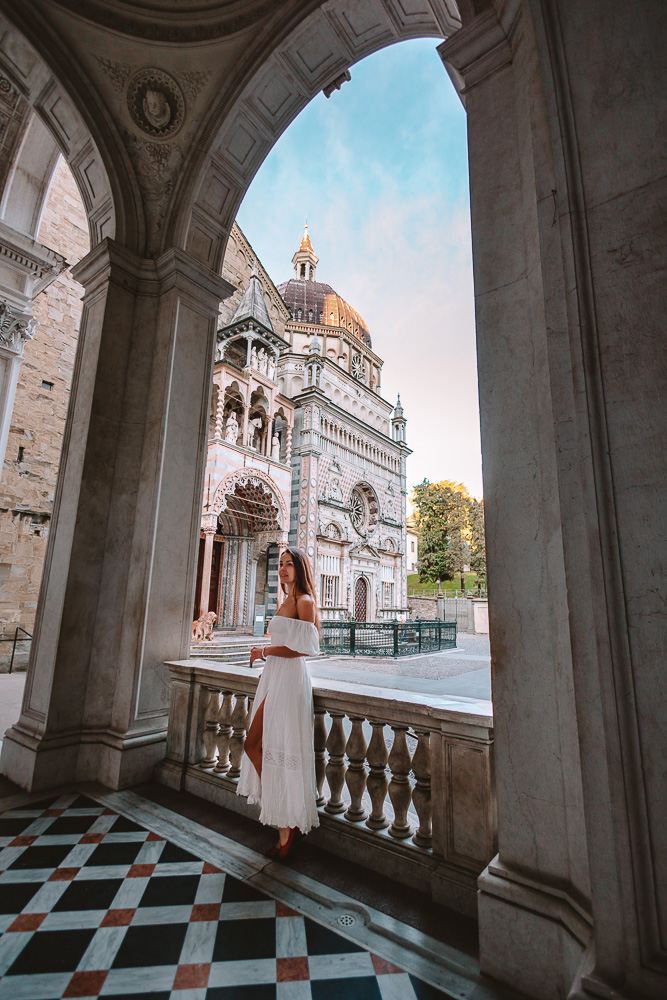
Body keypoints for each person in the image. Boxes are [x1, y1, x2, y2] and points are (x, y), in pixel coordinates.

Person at [237, 547, 320, 857]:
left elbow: (303, 649)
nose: (283, 569)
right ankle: (286, 822)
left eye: (290, 564)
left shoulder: (305, 602)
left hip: (290, 680)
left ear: (300, 569)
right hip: (276, 678)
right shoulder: (286, 600)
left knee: (274, 746)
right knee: (256, 745)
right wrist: (269, 665)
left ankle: (286, 830)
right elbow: (285, 642)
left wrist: (265, 653)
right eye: (281, 564)